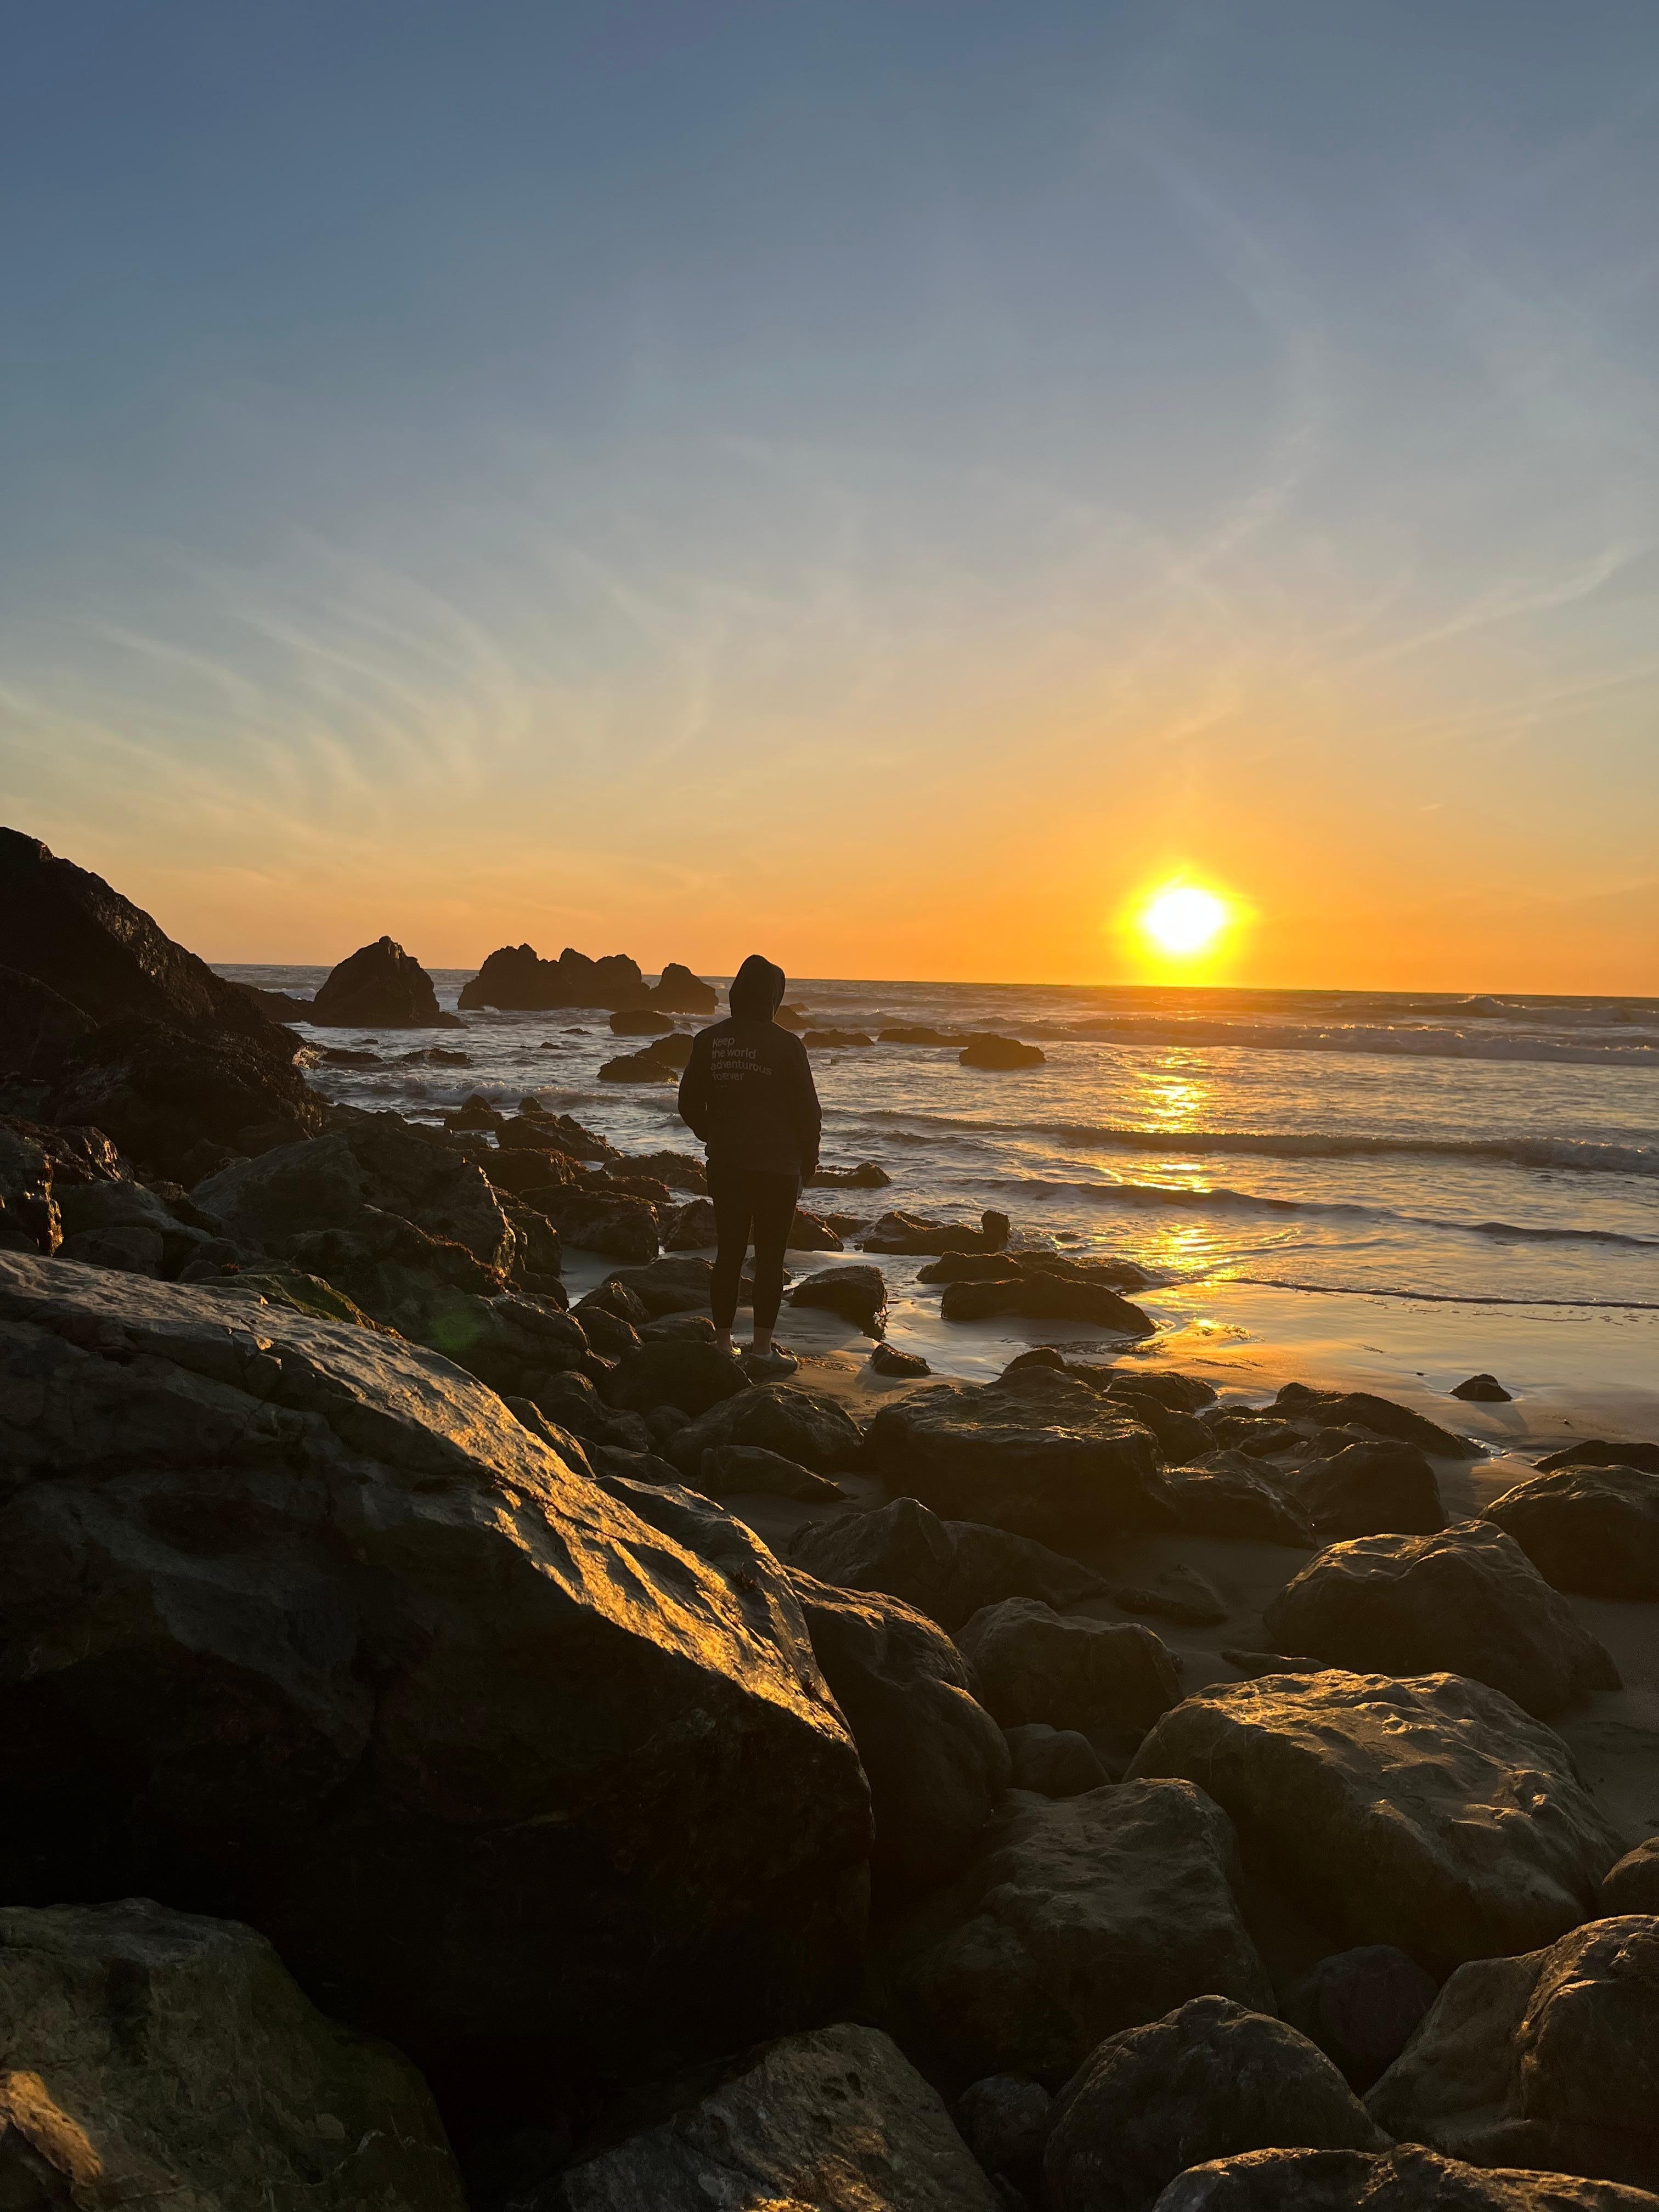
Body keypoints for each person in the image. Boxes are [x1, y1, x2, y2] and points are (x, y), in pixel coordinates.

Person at [676, 953, 820, 1374]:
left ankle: (723, 1345)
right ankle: (761, 1350)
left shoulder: (709, 1041)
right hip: (779, 1168)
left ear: (737, 993)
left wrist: (712, 1135)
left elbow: (688, 1102)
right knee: (771, 1258)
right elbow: (808, 1114)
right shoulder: (788, 1046)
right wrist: (807, 1164)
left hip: (727, 1164)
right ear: (774, 997)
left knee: (729, 1254)